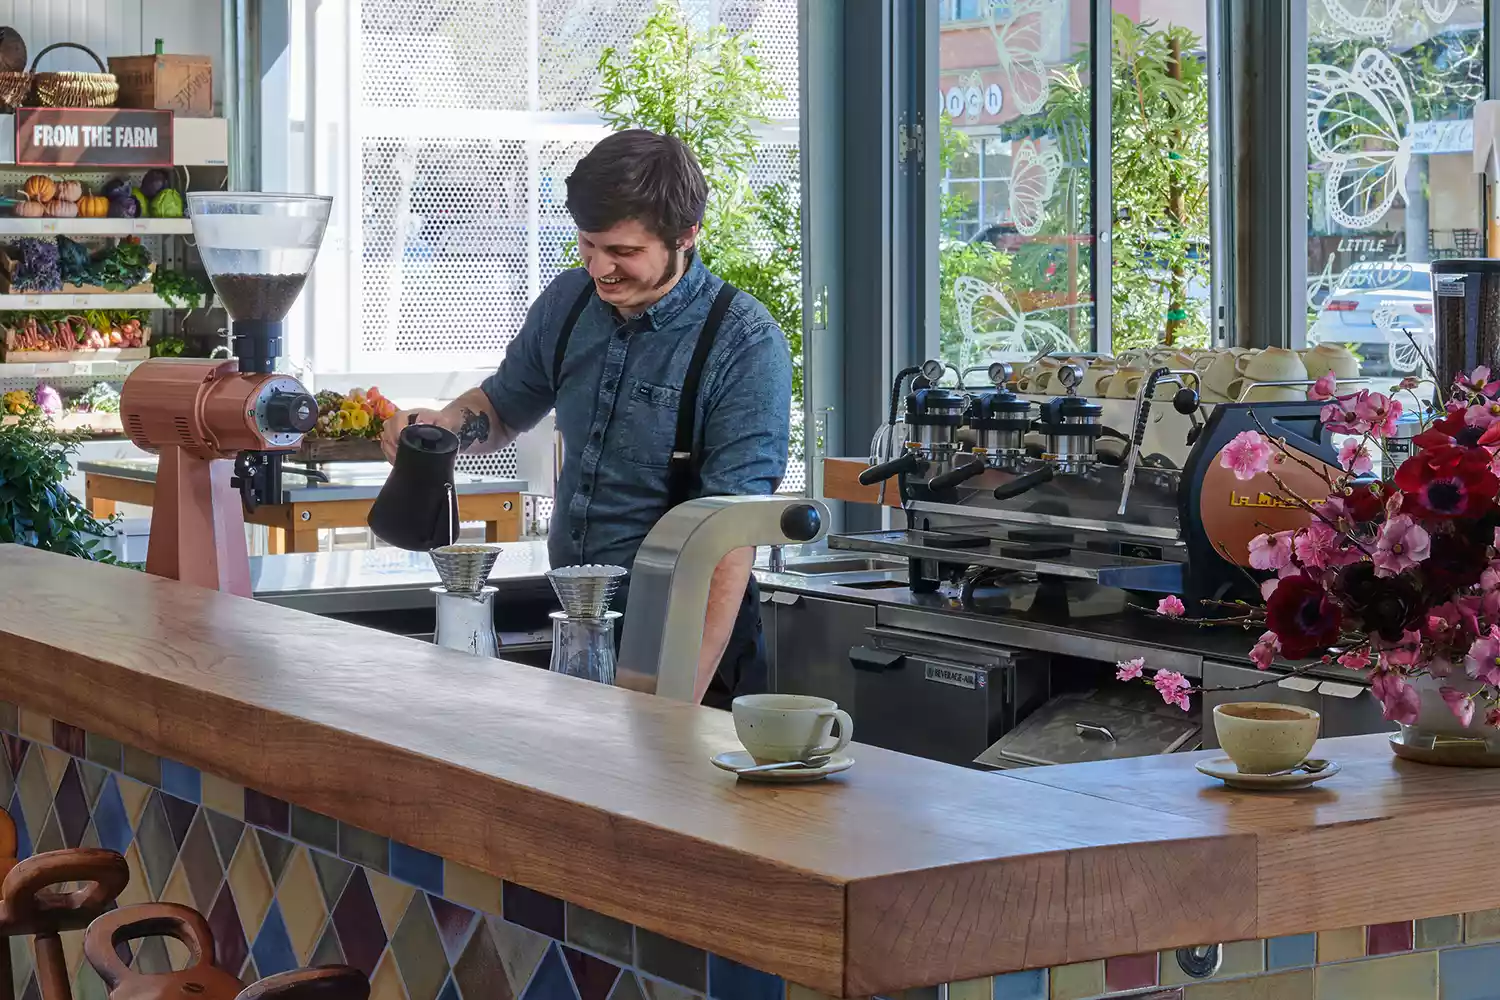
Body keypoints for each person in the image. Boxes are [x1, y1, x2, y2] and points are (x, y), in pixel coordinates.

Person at [382, 128, 792, 707]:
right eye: (588, 245)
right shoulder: (570, 301)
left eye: (623, 252)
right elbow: (501, 408)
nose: (600, 268)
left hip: (689, 644)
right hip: (580, 624)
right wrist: (445, 425)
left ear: (687, 235)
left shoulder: (744, 344)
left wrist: (670, 711)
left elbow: (728, 539)